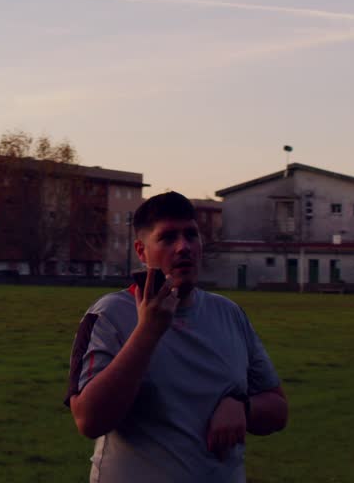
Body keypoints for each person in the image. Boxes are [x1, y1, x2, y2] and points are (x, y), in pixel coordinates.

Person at [65, 191, 287, 482]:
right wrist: (148, 331)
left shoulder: (229, 314)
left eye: (191, 235)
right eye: (168, 238)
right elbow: (89, 419)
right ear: (142, 251)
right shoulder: (109, 316)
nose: (184, 247)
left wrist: (243, 408)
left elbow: (278, 407)